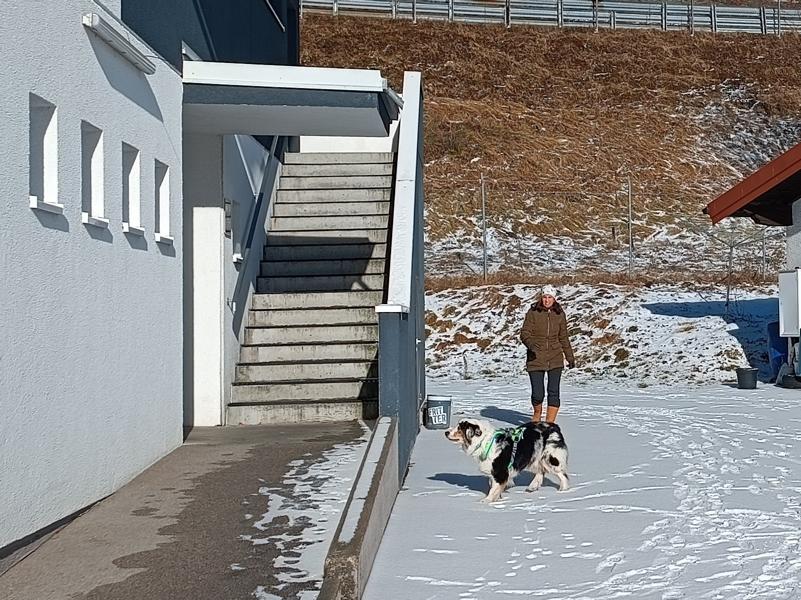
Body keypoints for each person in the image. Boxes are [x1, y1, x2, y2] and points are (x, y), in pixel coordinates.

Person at [519, 285, 576, 423]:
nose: (547, 300)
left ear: (554, 299)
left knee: (553, 392)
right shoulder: (533, 312)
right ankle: (537, 413)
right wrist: (531, 345)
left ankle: (549, 424)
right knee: (538, 394)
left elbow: (563, 337)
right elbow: (524, 333)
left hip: (555, 357)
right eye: (544, 297)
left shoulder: (559, 314)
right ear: (541, 298)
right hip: (536, 358)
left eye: (550, 297)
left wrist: (570, 356)